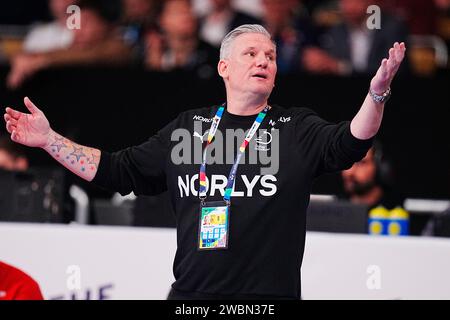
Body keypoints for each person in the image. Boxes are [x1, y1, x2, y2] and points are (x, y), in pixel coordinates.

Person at [3, 24, 406, 299]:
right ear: (224, 68)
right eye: (251, 53)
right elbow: (116, 169)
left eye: (270, 55)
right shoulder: (189, 128)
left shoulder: (294, 127)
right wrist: (49, 140)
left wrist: (377, 95)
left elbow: (353, 141)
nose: (263, 60)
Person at [340, 143, 404, 210]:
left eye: (361, 163)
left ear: (380, 167)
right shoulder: (335, 209)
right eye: (347, 163)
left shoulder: (398, 212)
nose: (349, 172)